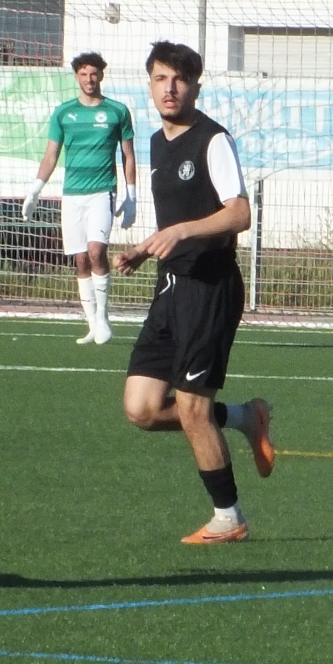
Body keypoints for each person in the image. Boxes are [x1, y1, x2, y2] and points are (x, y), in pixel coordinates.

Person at [113, 41, 275, 543]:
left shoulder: (213, 140)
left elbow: (239, 214)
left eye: (180, 80)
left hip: (210, 288)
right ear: (149, 84)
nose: (170, 88)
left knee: (191, 407)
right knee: (141, 409)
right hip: (170, 287)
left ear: (196, 88)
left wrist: (182, 232)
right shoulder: (158, 142)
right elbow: (174, 222)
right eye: (161, 79)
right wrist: (146, 249)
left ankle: (229, 518)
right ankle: (245, 416)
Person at [22, 51, 137, 345]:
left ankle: (103, 318)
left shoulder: (117, 111)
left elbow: (128, 154)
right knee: (81, 259)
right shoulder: (63, 113)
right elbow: (51, 154)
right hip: (72, 195)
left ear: (101, 75)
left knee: (97, 251)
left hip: (102, 191)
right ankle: (91, 322)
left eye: (94, 73)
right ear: (76, 77)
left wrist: (132, 195)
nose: (89, 79)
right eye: (84, 74)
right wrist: (35, 189)